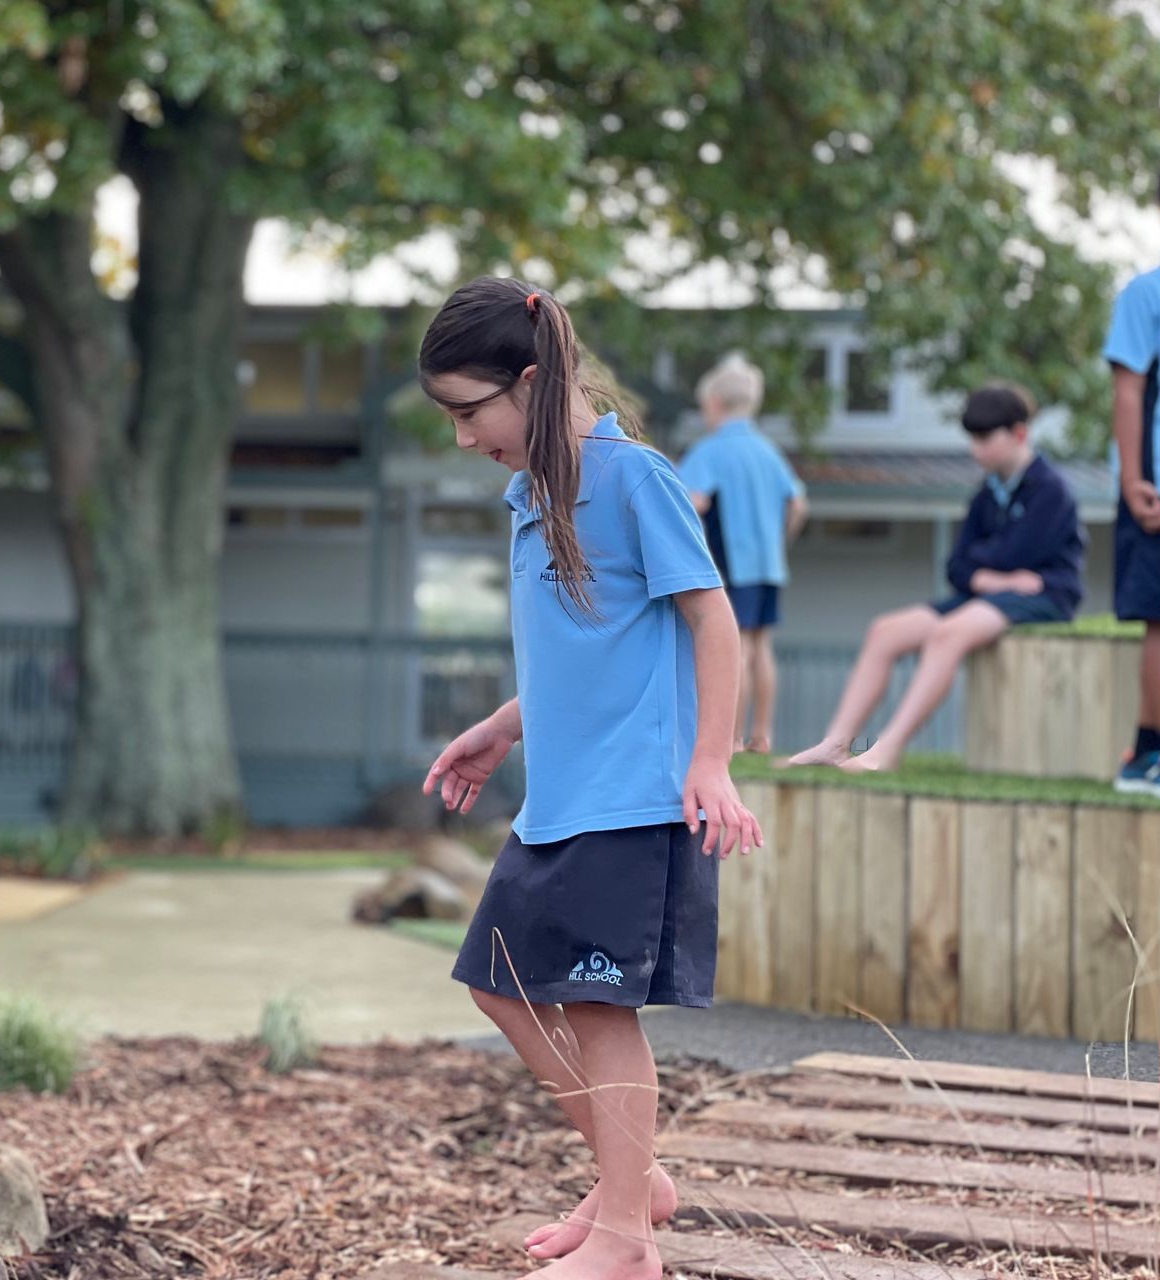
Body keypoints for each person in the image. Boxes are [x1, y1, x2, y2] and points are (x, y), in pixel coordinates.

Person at [417, 278, 761, 1280]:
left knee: (600, 1011)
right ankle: (632, 1181)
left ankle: (624, 1239)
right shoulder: (535, 493)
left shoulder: (631, 476)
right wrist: (500, 726)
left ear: (530, 381)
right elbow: (594, 651)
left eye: (469, 412)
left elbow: (713, 620)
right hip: (561, 798)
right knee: (502, 983)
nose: (461, 437)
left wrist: (711, 760)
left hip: (633, 797)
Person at [783, 383, 1083, 772]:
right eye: (971, 438)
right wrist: (991, 579)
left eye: (984, 438)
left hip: (1045, 597)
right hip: (994, 593)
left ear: (1019, 433)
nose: (976, 449)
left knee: (948, 634)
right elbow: (957, 566)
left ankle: (885, 751)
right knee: (885, 630)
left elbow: (1013, 555)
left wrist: (983, 571)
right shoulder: (986, 493)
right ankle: (836, 745)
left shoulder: (1052, 490)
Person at [676, 354, 809, 755]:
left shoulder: (709, 451)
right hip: (768, 564)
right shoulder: (769, 452)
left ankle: (731, 739)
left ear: (714, 404)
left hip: (731, 561)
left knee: (736, 647)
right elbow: (798, 504)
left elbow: (691, 502)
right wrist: (779, 540)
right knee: (761, 645)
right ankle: (762, 736)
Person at [1105, 170, 1160, 793]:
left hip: (1159, 480)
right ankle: (1153, 751)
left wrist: (1131, 479)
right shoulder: (1148, 293)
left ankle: (1155, 752)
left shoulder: (1148, 292)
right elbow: (1133, 390)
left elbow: (1129, 390)